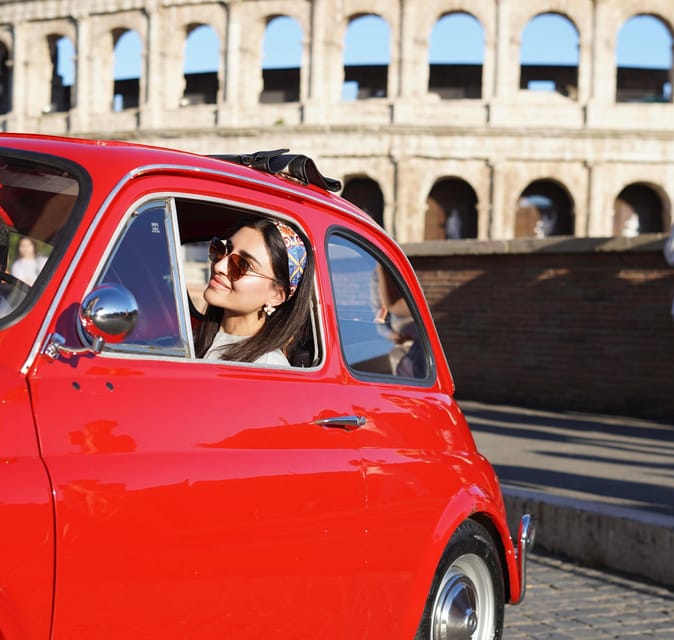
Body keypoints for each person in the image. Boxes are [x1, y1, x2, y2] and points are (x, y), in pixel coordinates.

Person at [194, 217, 313, 365]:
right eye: (222, 250)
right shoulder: (196, 338)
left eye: (243, 265)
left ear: (276, 295)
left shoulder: (268, 367)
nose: (219, 266)